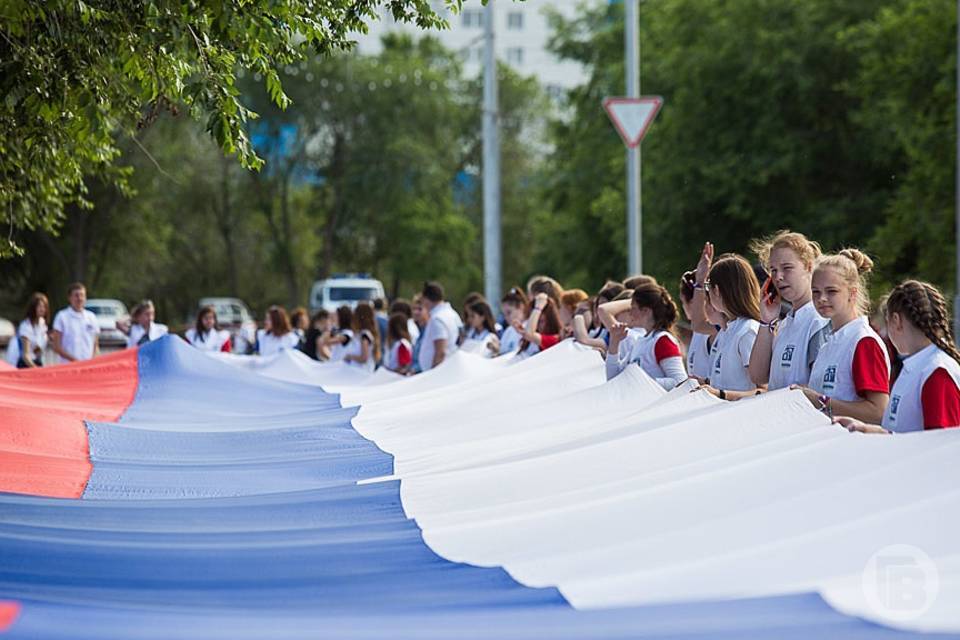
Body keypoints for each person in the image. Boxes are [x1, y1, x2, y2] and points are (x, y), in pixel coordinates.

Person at [835, 281, 960, 434]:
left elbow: (939, 447)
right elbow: (906, 434)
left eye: (887, 322)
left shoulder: (936, 371)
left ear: (896, 320)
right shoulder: (918, 365)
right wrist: (868, 430)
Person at [793, 249, 890, 423]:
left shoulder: (863, 341)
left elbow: (879, 412)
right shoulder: (830, 342)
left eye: (831, 291)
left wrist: (819, 402)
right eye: (815, 292)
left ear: (852, 293)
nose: (822, 298)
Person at [748, 230, 829, 390]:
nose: (778, 277)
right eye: (773, 270)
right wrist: (766, 321)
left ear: (808, 267)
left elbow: (820, 387)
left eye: (787, 268)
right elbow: (758, 376)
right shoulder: (785, 324)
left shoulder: (819, 321)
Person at [693, 248, 762, 399]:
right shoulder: (727, 329)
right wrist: (702, 383)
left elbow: (764, 390)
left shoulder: (748, 331)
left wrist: (720, 394)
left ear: (716, 290)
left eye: (707, 288)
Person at [602, 283, 687, 389]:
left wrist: (642, 382)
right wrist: (614, 344)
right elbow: (614, 378)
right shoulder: (640, 340)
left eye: (633, 308)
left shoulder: (663, 340)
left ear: (646, 311)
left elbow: (680, 381)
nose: (630, 313)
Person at [417, 281, 463, 372]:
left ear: (426, 299)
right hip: (449, 367)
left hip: (440, 371)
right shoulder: (452, 314)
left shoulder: (438, 319)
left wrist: (432, 374)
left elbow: (440, 351)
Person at [51, 282, 99, 363]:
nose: (79, 298)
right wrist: (75, 361)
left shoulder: (92, 317)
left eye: (82, 295)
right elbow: (56, 347)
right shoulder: (62, 317)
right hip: (68, 366)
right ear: (70, 298)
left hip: (87, 367)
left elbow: (95, 345)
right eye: (76, 295)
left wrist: (93, 361)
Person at [678, 271, 713, 380]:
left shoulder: (712, 331)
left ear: (693, 302)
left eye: (683, 302)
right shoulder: (698, 332)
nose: (683, 307)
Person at [574, 281, 624, 353]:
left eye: (604, 305)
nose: (599, 310)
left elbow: (584, 341)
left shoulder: (618, 332)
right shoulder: (602, 331)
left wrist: (578, 316)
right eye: (598, 305)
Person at [5, 293, 50, 368]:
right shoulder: (26, 326)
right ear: (33, 308)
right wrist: (36, 370)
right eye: (39, 306)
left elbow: (36, 349)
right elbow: (25, 355)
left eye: (44, 306)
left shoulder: (42, 324)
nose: (42, 309)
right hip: (22, 363)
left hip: (34, 360)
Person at [518, 292, 563, 357]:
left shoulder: (554, 339)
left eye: (541, 321)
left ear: (550, 321)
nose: (536, 327)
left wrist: (538, 308)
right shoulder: (531, 341)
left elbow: (529, 334)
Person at [343, 302, 380, 372]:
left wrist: (349, 357)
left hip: (361, 373)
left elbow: (364, 358)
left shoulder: (364, 335)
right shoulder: (362, 334)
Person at [410, 295, 429, 373]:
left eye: (419, 309)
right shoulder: (419, 332)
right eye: (414, 309)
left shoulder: (428, 332)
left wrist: (414, 370)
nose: (415, 312)